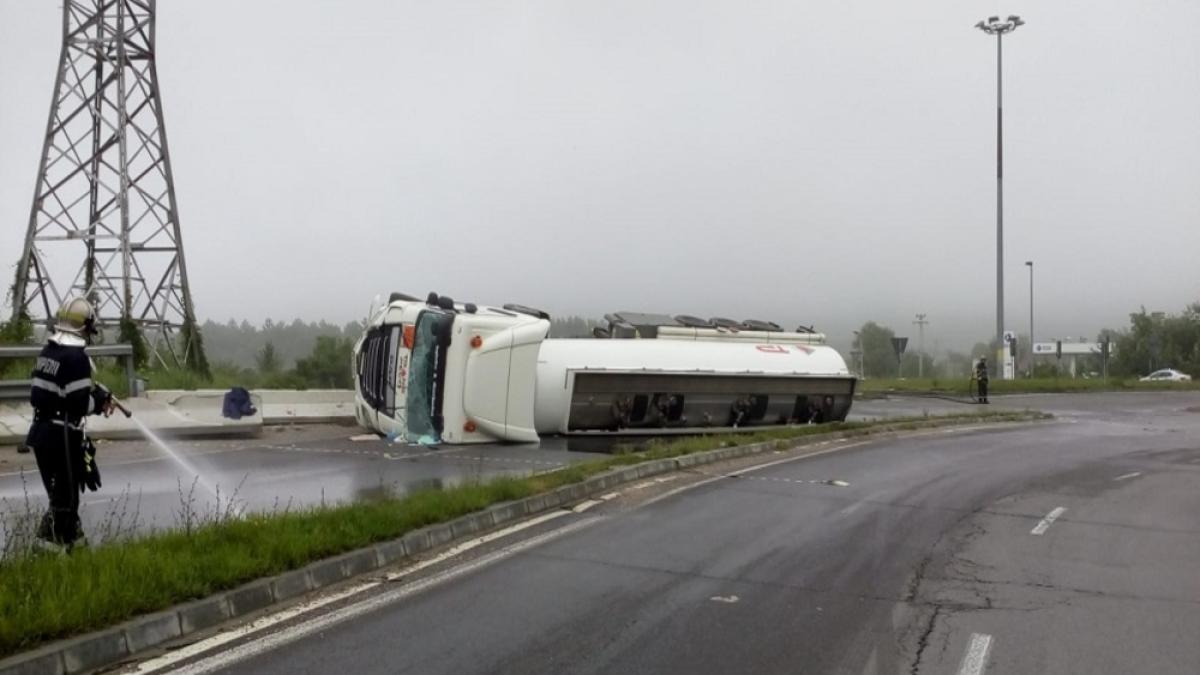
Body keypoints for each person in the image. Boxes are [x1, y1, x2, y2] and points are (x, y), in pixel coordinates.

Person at [27, 297, 113, 551]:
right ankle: (44, 552)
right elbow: (78, 405)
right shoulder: (77, 357)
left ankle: (79, 550)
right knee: (65, 503)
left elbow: (49, 395)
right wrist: (98, 400)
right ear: (85, 326)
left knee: (63, 500)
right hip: (61, 436)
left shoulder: (48, 352)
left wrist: (92, 395)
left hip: (41, 434)